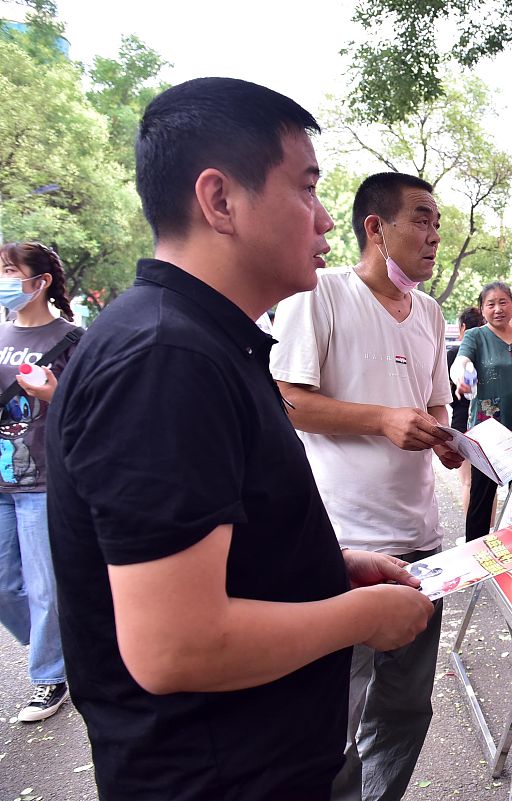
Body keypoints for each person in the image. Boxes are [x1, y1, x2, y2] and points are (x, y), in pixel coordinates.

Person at [46, 77, 435, 801]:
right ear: (220, 200)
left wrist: (327, 567)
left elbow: (212, 549)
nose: (325, 219)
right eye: (307, 188)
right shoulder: (165, 358)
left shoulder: (207, 341)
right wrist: (361, 616)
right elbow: (176, 645)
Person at [271, 171, 462, 800]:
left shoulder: (429, 312)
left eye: (438, 223)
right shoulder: (319, 293)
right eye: (422, 219)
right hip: (343, 542)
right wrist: (381, 420)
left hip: (421, 542)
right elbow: (286, 401)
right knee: (333, 716)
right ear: (375, 228)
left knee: (405, 707)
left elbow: (434, 407)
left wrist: (449, 441)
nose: (435, 236)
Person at [0, 241, 81, 723]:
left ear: (40, 281)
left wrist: (55, 393)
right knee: (5, 585)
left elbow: (93, 406)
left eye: (9, 271)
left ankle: (50, 675)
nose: (3, 281)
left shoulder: (72, 339)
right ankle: (64, 643)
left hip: (45, 479)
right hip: (1, 478)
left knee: (44, 586)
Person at [453, 282, 512, 540]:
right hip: (488, 434)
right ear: (482, 309)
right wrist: (462, 378)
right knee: (481, 500)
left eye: (503, 302)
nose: (497, 309)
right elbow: (462, 363)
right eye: (490, 304)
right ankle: (475, 553)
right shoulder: (476, 337)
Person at [449, 306, 485, 511]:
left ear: (463, 327)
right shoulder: (486, 353)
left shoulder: (453, 354)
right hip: (487, 424)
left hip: (462, 423)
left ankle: (472, 529)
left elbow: (446, 393)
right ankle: (488, 528)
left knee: (468, 483)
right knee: (487, 485)